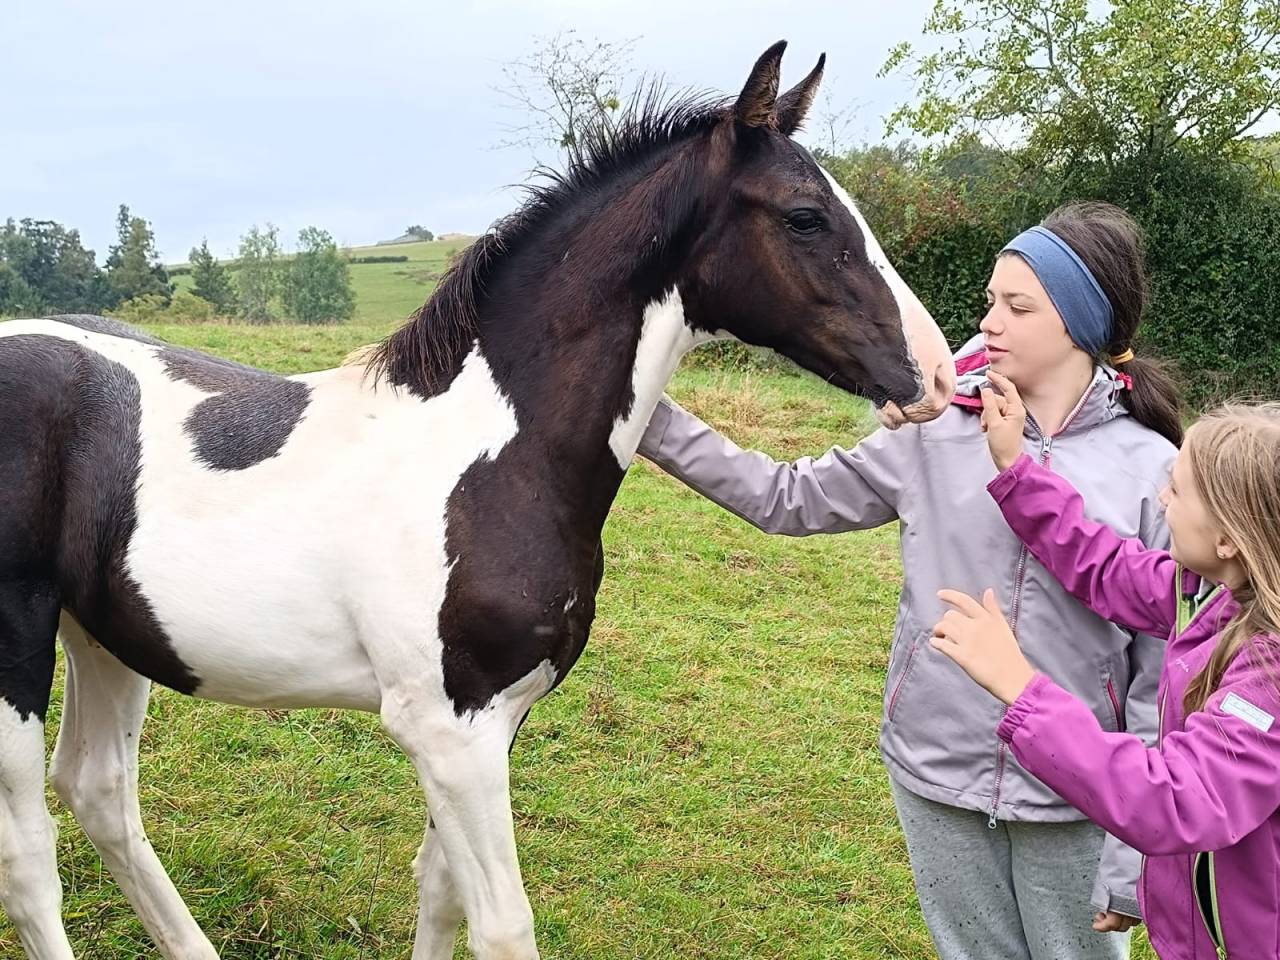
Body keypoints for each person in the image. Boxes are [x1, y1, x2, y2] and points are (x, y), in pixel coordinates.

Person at [636, 202, 1182, 958]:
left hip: (1081, 797)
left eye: (1018, 306)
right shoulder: (936, 431)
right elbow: (784, 498)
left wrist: (1133, 859)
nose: (989, 322)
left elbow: (1164, 677)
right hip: (937, 768)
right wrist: (645, 413)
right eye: (990, 300)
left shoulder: (1156, 471)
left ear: (1082, 326)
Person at [932, 382, 1280, 960]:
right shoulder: (1209, 595)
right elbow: (1104, 564)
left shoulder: (1268, 676)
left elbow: (1176, 800)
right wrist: (1016, 468)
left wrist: (1022, 688)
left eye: (1178, 488)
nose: (1162, 498)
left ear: (1227, 539)